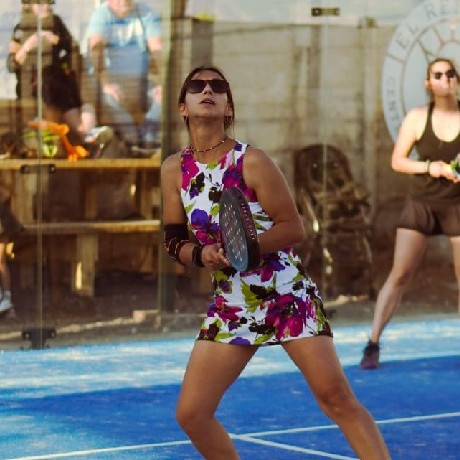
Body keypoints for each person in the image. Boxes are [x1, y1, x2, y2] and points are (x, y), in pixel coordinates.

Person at [161, 65, 390, 459]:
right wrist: (200, 254)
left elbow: (293, 228)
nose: (208, 91)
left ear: (228, 107)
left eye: (218, 86)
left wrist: (242, 249)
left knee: (336, 398)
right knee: (192, 414)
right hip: (233, 302)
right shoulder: (173, 169)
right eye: (197, 86)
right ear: (183, 106)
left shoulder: (252, 161)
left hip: (286, 294)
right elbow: (172, 239)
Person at [360, 57, 460, 370]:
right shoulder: (417, 117)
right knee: (400, 274)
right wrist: (432, 167)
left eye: (451, 73)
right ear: (428, 83)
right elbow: (398, 161)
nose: (445, 79)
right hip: (422, 203)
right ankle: (373, 343)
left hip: (456, 204)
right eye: (438, 74)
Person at [7, 2, 113, 155]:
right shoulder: (22, 28)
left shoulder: (56, 23)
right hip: (37, 87)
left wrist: (54, 39)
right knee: (51, 96)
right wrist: (27, 46)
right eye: (40, 3)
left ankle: (88, 134)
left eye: (48, 3)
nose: (46, 7)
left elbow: (73, 49)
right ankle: (71, 138)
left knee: (82, 106)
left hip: (59, 85)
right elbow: (12, 65)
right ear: (30, 5)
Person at [84, 0, 162, 151]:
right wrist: (106, 84)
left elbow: (157, 49)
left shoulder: (145, 12)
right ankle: (132, 141)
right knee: (108, 98)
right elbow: (96, 49)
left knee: (166, 96)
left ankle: (147, 139)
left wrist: (163, 83)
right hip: (110, 81)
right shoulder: (102, 15)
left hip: (141, 82)